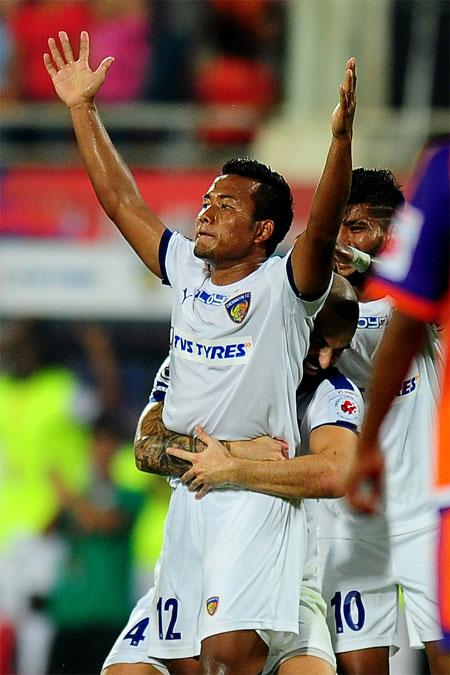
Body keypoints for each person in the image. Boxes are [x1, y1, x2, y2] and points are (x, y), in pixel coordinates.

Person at [44, 30, 356, 674]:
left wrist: (340, 144)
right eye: (208, 198)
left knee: (225, 663)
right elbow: (122, 200)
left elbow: (321, 230)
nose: (206, 211)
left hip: (255, 503)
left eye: (227, 203)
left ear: (263, 230)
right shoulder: (185, 269)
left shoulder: (282, 288)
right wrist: (83, 110)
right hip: (191, 497)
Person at [105, 273, 362, 675]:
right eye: (317, 341)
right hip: (186, 570)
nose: (324, 360)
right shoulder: (199, 361)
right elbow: (147, 448)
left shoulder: (329, 390)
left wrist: (232, 469)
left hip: (285, 584)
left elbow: (337, 473)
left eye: (338, 350)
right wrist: (238, 452)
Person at [330, 166, 448, 673]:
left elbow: (411, 303)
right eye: (334, 227)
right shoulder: (320, 310)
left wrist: (360, 261)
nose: (340, 241)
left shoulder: (420, 311)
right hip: (355, 519)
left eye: (355, 227)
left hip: (426, 516)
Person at [46, 415, 144, 675]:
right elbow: (45, 532)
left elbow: (104, 523)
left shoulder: (129, 496)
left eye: (107, 443)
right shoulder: (79, 496)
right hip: (67, 617)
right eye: (96, 443)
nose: (101, 451)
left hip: (106, 617)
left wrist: (65, 494)